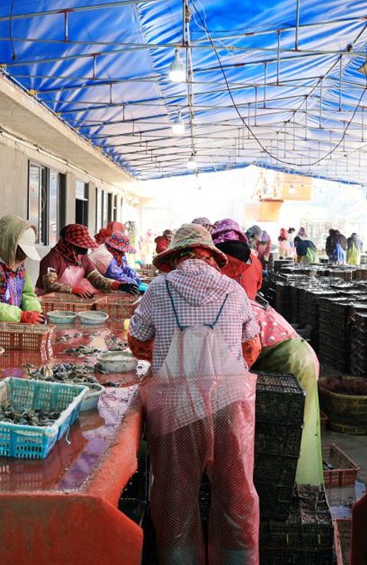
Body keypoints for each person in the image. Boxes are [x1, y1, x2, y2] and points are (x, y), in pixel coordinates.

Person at [127, 224, 261, 564]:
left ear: (174, 257)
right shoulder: (233, 290)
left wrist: (164, 359)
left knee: (176, 500)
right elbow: (251, 348)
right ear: (210, 257)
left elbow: (137, 341)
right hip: (230, 408)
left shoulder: (159, 289)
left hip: (174, 409)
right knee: (236, 497)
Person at [214, 237, 323, 485]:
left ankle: (298, 484)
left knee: (297, 429)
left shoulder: (231, 303)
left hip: (294, 359)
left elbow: (247, 351)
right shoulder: (233, 294)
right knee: (286, 426)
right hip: (288, 352)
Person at [36, 224, 123, 297]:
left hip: (67, 300)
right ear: (69, 243)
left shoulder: (83, 258)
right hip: (47, 300)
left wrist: (119, 285)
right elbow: (49, 285)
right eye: (81, 245)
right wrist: (74, 289)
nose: (84, 249)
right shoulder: (52, 259)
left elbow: (97, 280)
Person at [212, 219, 263, 300]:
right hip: (249, 307)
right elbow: (257, 286)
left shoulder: (209, 259)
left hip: (218, 309)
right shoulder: (256, 261)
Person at [90, 223, 147, 294]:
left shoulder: (115, 253)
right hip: (92, 287)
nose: (123, 253)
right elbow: (118, 276)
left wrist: (138, 281)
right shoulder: (104, 255)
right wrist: (135, 285)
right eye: (122, 251)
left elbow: (125, 268)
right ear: (114, 248)